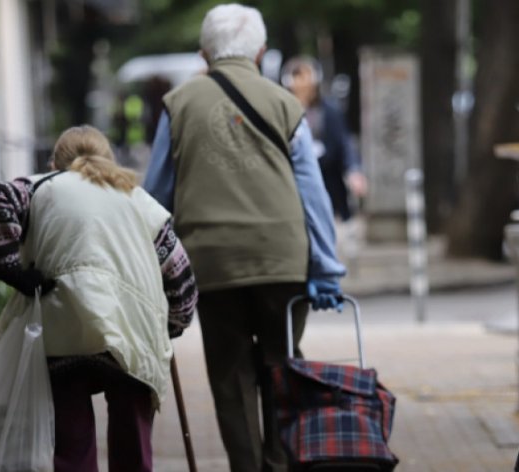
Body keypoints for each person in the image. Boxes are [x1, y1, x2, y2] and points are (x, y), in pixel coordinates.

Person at [143, 4, 345, 471]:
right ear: (261, 52)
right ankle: (279, 463)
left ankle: (247, 466)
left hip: (213, 264)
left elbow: (155, 196)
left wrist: (150, 268)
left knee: (231, 379)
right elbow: (312, 195)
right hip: (282, 260)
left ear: (203, 54)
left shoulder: (178, 105)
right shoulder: (285, 103)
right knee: (281, 369)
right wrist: (327, 268)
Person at [0, 125, 198, 472]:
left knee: (71, 446)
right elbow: (181, 279)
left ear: (55, 162)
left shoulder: (40, 187)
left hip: (61, 332)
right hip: (130, 335)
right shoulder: (140, 200)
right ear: (107, 161)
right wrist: (172, 325)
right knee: (132, 444)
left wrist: (10, 269)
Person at [281, 55, 368, 222]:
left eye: (307, 77)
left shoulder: (330, 110)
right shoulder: (282, 110)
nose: (303, 83)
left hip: (328, 179)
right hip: (293, 183)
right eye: (298, 77)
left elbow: (344, 142)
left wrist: (354, 170)